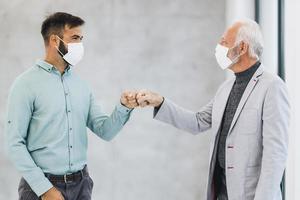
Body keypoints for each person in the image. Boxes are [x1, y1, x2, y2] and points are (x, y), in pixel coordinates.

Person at [136, 19, 290, 200]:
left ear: (242, 48)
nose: (219, 46)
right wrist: (160, 102)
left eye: (224, 42)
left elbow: (275, 154)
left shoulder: (272, 87)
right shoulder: (226, 87)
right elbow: (197, 121)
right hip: (221, 193)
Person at [5, 12, 138, 200]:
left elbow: (105, 131)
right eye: (74, 38)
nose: (80, 45)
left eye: (81, 39)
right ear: (54, 40)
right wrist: (45, 189)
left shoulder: (81, 85)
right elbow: (14, 143)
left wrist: (124, 106)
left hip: (81, 186)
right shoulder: (25, 84)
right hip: (40, 189)